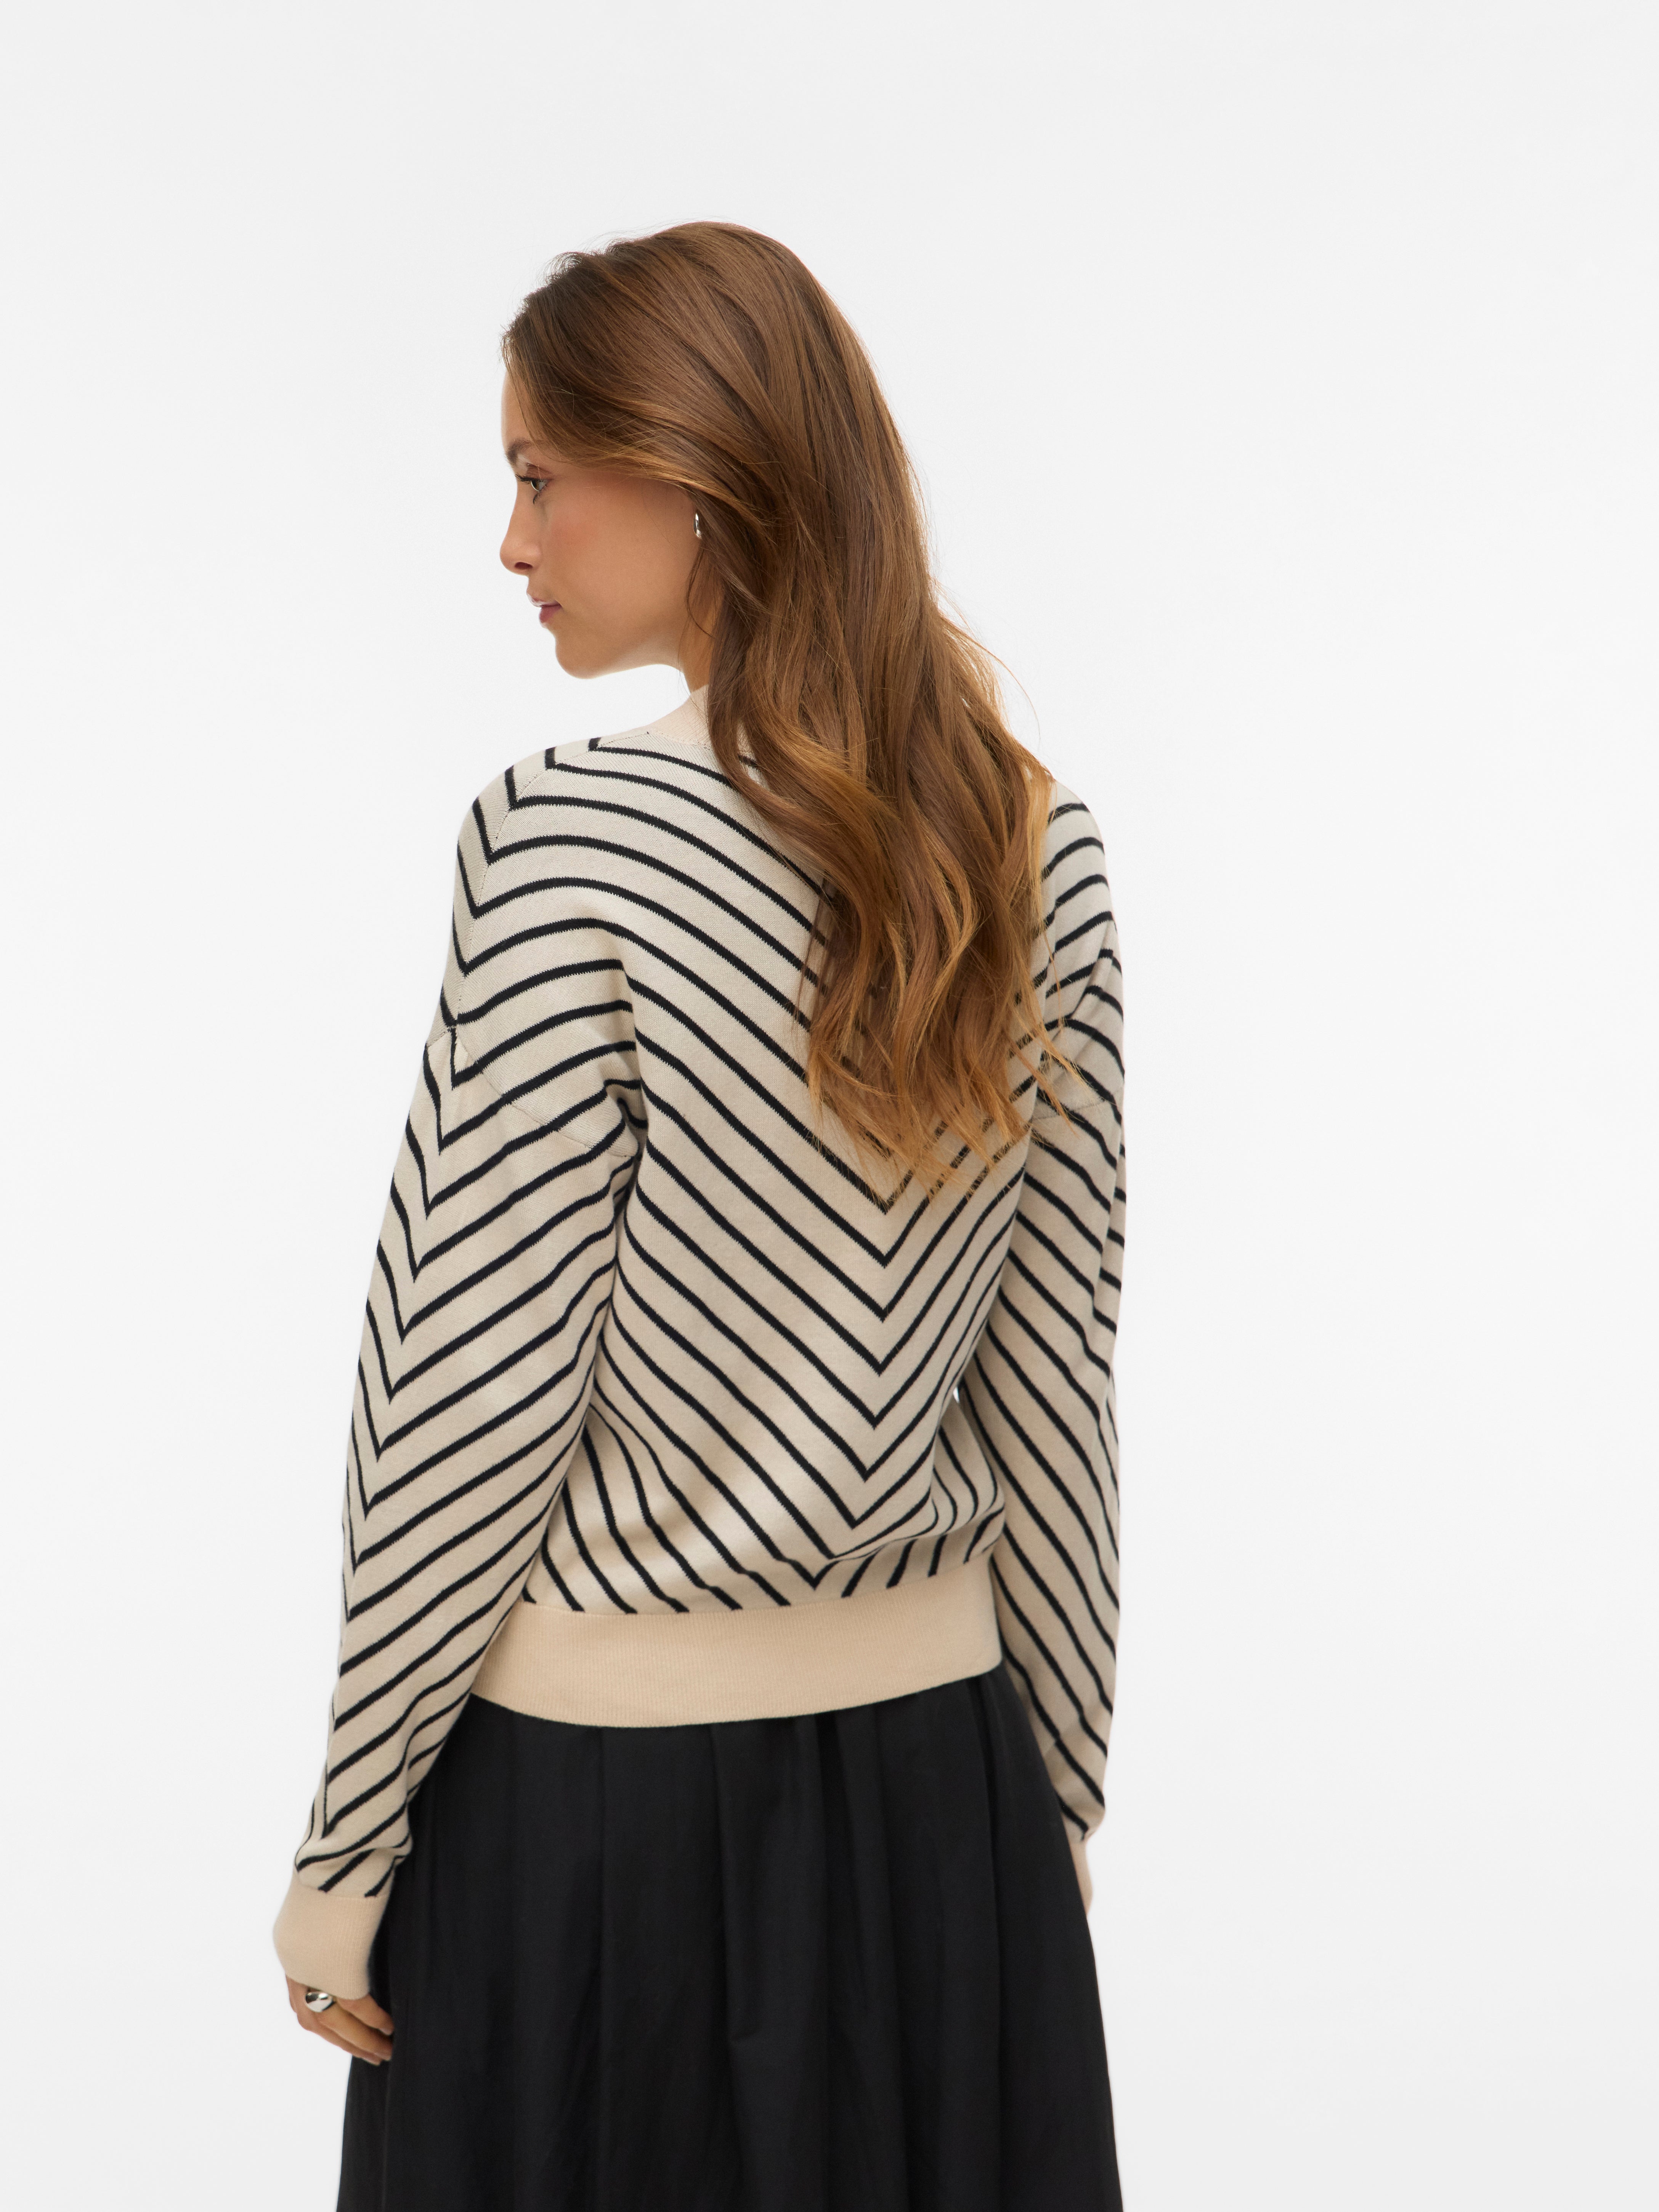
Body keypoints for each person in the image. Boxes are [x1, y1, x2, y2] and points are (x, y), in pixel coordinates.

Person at [273, 220, 1128, 2212]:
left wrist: (350, 1840)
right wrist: (1050, 1803)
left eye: (538, 476)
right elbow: (1053, 1380)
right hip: (948, 1787)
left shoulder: (572, 841)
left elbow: (470, 1393)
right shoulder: (1038, 844)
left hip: (595, 1833)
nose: (513, 542)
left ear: (694, 475)